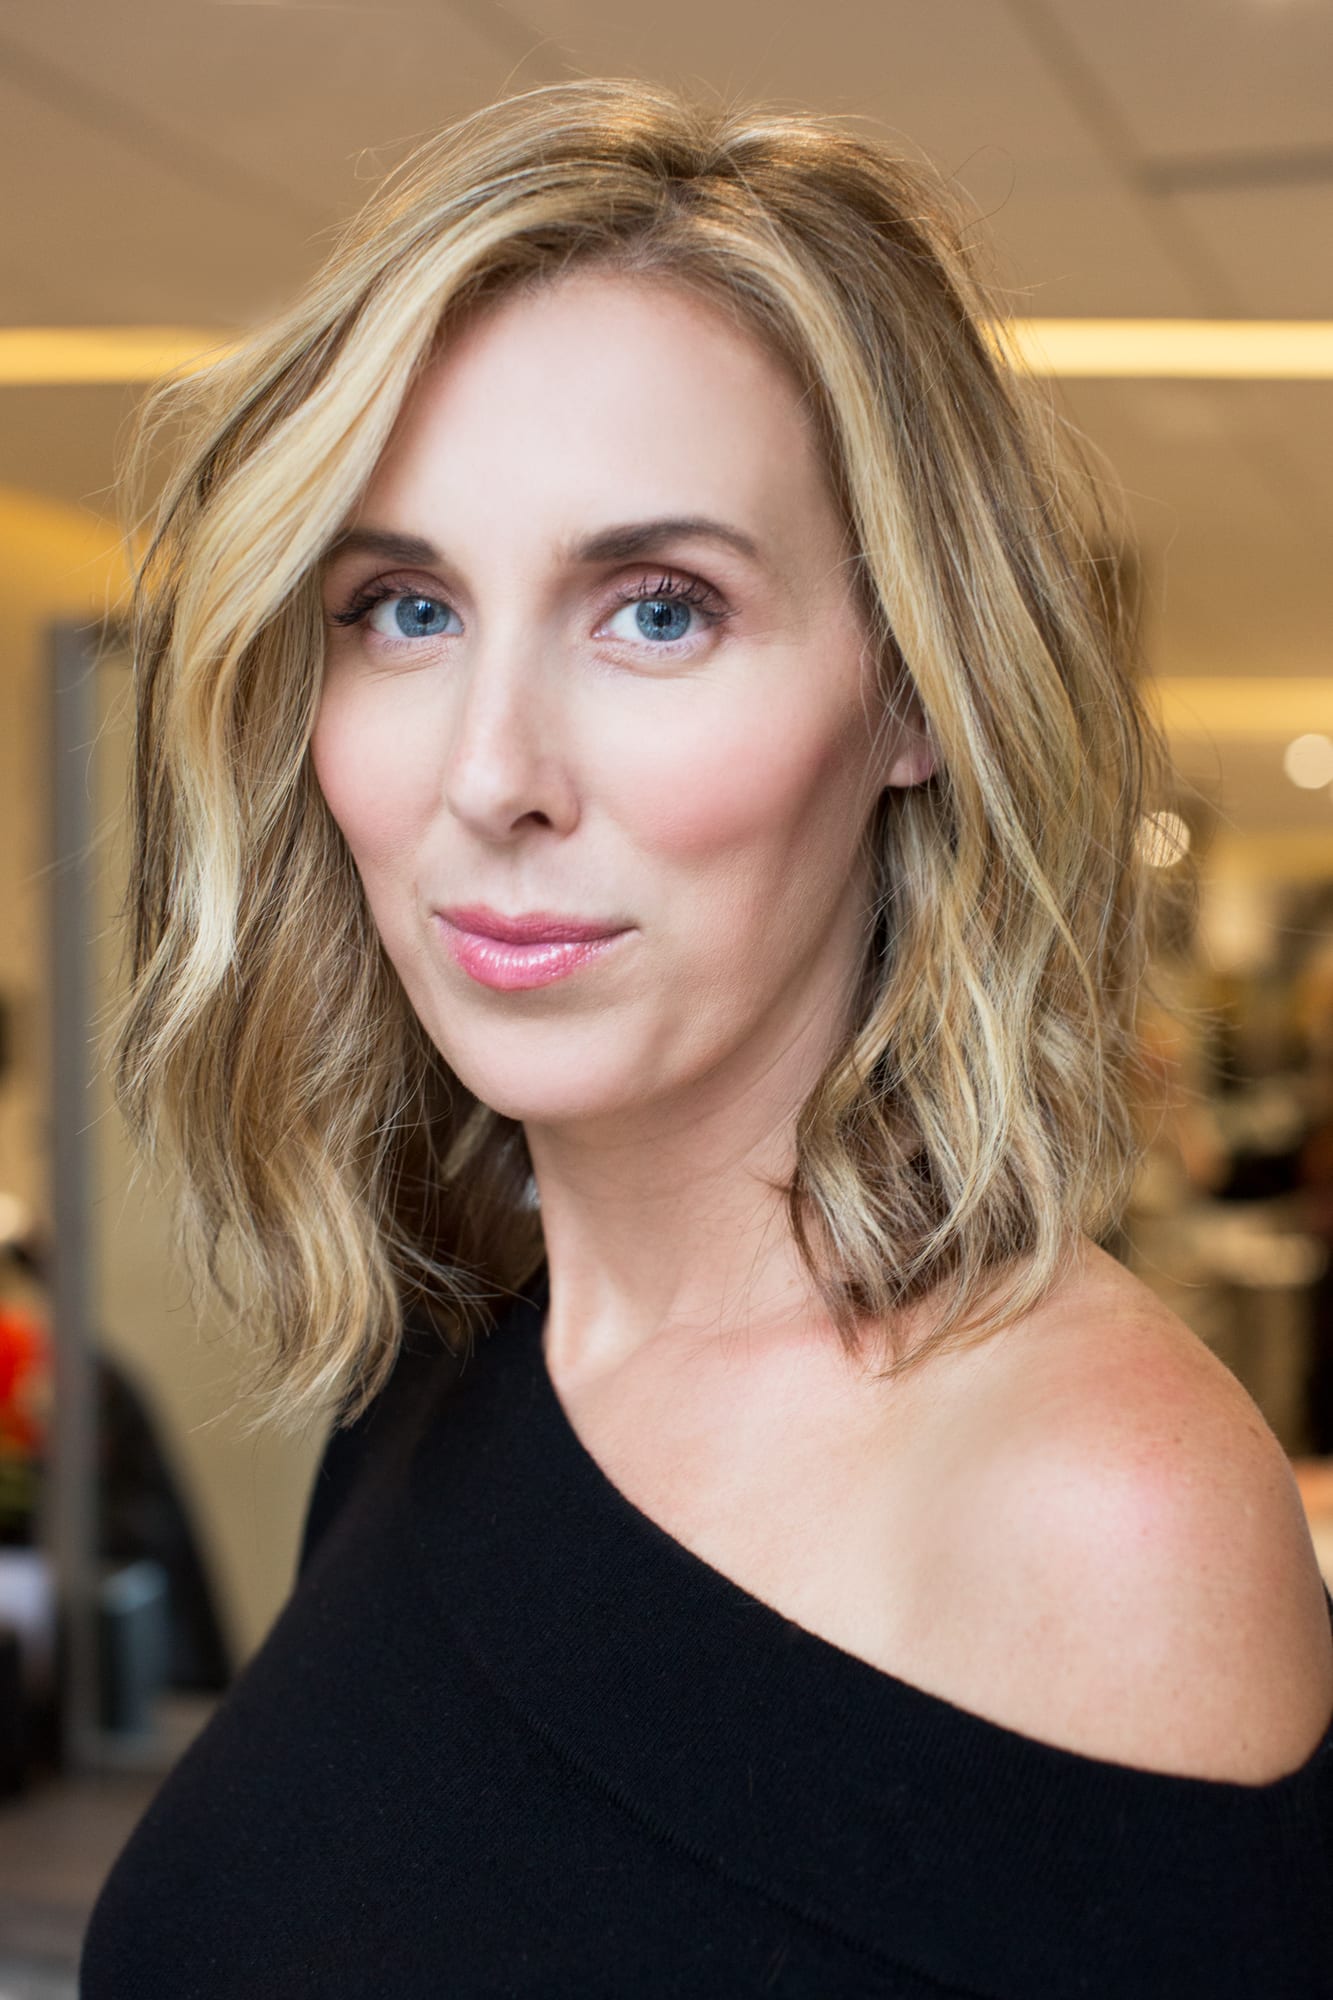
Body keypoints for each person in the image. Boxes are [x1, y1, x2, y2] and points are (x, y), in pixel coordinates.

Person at [81, 77, 1333, 1998]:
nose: (489, 772)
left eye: (657, 611)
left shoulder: (1091, 1512)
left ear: (912, 692)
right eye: (403, 608)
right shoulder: (447, 1358)